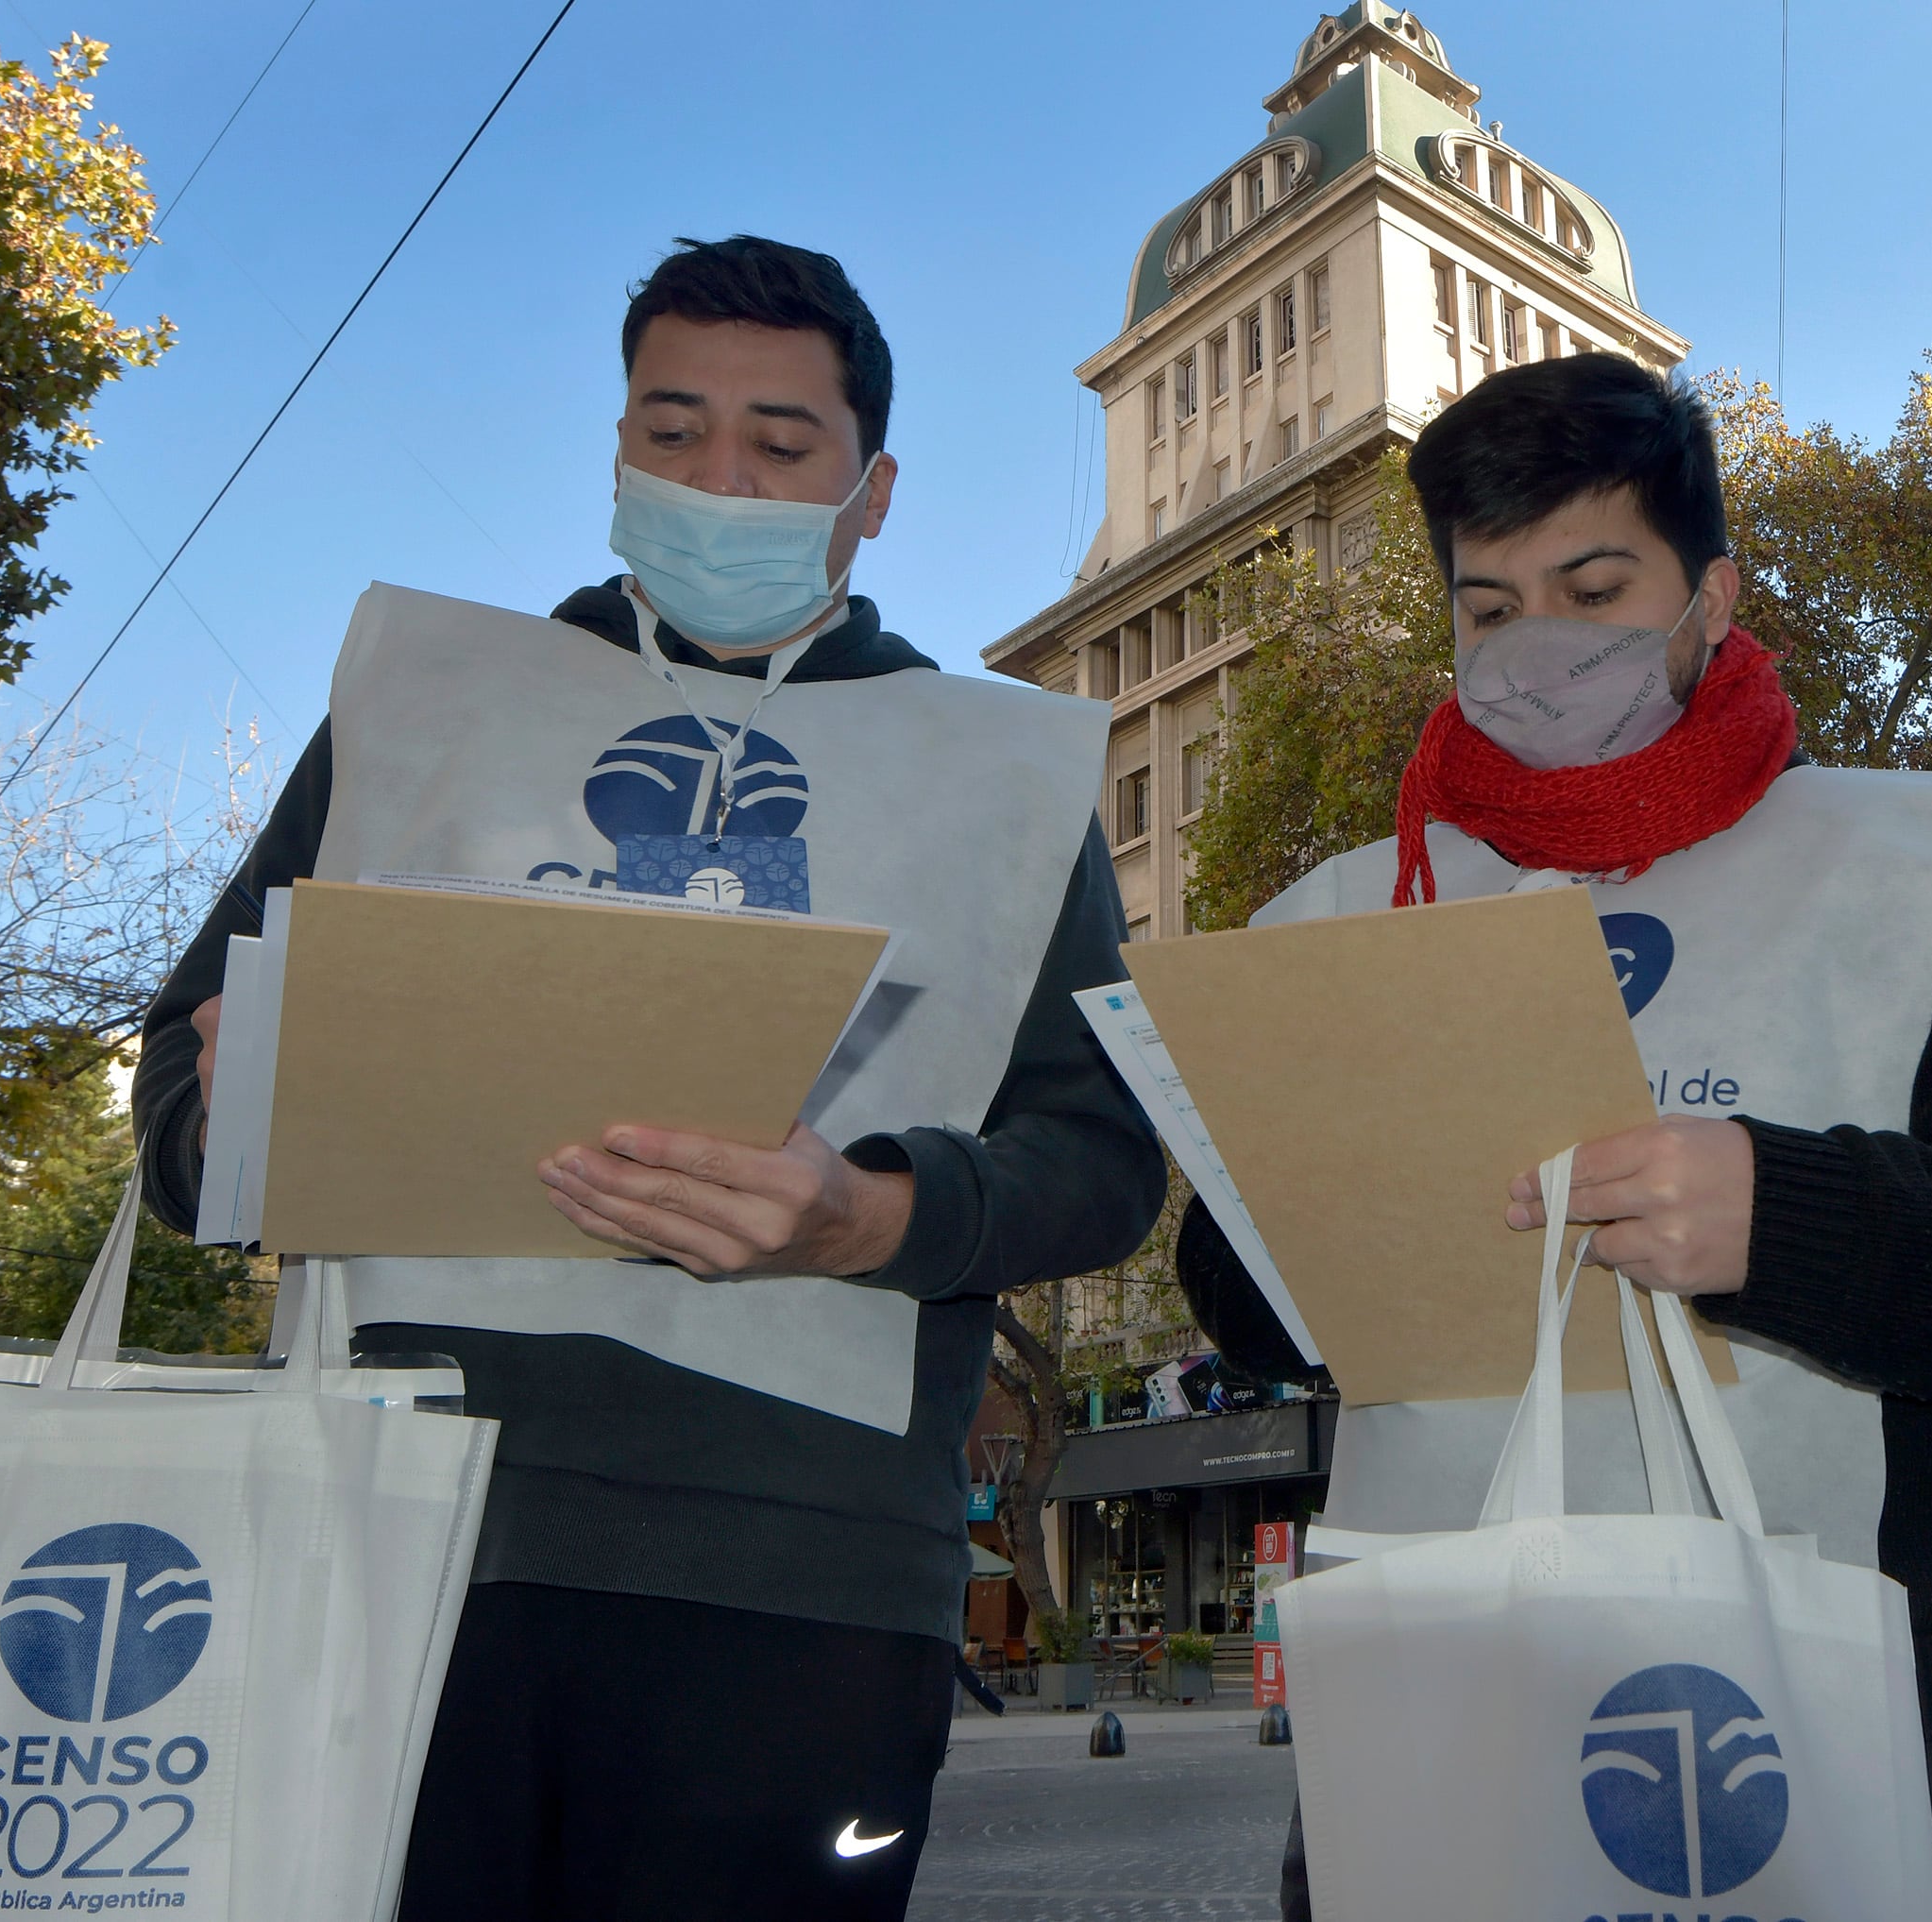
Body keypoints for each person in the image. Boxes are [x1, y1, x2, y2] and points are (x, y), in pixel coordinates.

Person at [132, 235, 1162, 1921]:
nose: (720, 481)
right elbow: (176, 1110)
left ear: (872, 488)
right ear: (617, 453)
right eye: (672, 433)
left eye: (781, 443)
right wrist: (237, 1110)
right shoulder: (427, 715)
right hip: (399, 1540)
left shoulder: (998, 778)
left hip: (801, 1578)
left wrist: (865, 1217)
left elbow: (1108, 1161)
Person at [1175, 354, 1932, 1922]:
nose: (1537, 647)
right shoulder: (1342, 908)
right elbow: (1241, 1301)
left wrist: (1784, 1218)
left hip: (1857, 1674)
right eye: (1491, 607)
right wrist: (1336, 1196)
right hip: (1442, 1674)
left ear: (1710, 594)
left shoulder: (1911, 869)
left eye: (1594, 585)